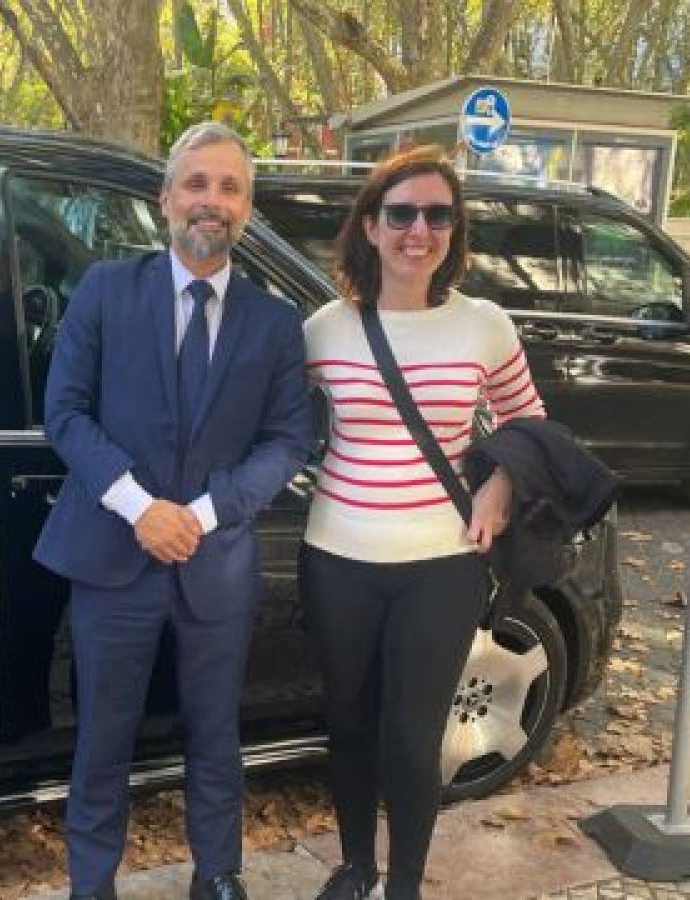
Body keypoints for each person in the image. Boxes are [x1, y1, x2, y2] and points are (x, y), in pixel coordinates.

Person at [33, 121, 313, 900]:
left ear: (247, 210)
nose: (211, 202)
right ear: (164, 200)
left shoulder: (275, 322)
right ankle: (93, 883)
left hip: (213, 567)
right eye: (196, 183)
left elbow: (289, 439)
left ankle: (217, 874)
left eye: (229, 188)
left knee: (217, 739)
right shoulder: (104, 290)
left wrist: (204, 511)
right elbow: (65, 413)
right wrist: (138, 507)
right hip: (114, 560)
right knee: (103, 740)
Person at [302, 146, 545, 900]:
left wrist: (500, 485)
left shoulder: (484, 324)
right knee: (349, 726)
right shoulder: (325, 330)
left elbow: (527, 422)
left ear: (454, 230)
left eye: (439, 215)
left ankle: (403, 881)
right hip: (336, 555)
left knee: (412, 737)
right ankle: (354, 867)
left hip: (443, 562)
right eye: (402, 213)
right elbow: (280, 429)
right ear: (370, 227)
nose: (420, 230)